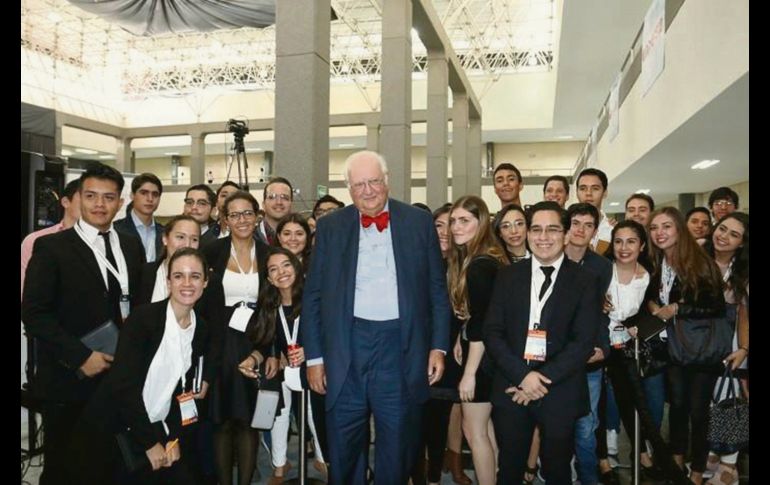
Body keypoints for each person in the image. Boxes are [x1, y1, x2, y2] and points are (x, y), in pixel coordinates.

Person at [302, 150, 450, 485]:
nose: (368, 190)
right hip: (346, 349)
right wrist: (314, 357)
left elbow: (436, 291)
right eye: (359, 185)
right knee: (344, 446)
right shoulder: (330, 227)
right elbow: (313, 296)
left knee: (397, 446)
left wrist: (438, 347)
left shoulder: (418, 221)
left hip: (400, 348)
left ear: (387, 181)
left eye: (374, 182)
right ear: (348, 189)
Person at [22, 162, 144, 485]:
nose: (99, 205)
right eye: (91, 196)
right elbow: (34, 313)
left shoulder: (130, 246)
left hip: (118, 378)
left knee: (110, 466)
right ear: (78, 198)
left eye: (109, 197)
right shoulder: (51, 247)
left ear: (121, 202)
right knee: (65, 470)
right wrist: (80, 356)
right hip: (69, 380)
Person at [69, 247, 217, 483]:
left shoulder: (202, 329)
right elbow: (123, 387)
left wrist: (173, 439)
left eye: (195, 276)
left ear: (205, 282)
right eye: (178, 276)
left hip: (159, 427)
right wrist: (149, 443)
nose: (187, 283)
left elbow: (184, 391)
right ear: (168, 282)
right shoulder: (143, 320)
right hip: (117, 428)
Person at [484, 201, 601, 485]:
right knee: (509, 469)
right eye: (536, 229)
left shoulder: (586, 280)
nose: (543, 237)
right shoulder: (508, 275)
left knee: (557, 469)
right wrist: (523, 376)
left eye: (552, 229)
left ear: (565, 234)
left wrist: (540, 379)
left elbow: (583, 342)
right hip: (513, 386)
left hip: (559, 389)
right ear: (527, 234)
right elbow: (492, 332)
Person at [646, 207, 726, 485]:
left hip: (701, 350)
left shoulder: (699, 262)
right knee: (677, 408)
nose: (660, 233)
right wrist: (654, 305)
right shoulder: (660, 263)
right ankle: (677, 463)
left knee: (698, 412)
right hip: (675, 349)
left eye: (666, 226)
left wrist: (678, 307)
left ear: (679, 229)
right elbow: (654, 299)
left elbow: (715, 306)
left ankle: (697, 472)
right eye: (654, 228)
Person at [241, 247, 327, 484]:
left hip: (313, 367)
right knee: (277, 411)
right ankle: (279, 466)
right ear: (268, 278)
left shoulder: (314, 298)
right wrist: (258, 358)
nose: (281, 272)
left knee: (312, 412)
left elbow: (330, 334)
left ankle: (323, 459)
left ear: (296, 267)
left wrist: (309, 351)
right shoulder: (269, 304)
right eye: (273, 269)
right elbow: (264, 340)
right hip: (281, 370)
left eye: (286, 265)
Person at [203, 190, 271, 485]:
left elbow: (274, 308)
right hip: (218, 344)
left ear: (257, 217)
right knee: (221, 421)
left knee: (249, 421)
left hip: (255, 342)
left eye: (247, 213)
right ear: (225, 219)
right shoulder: (211, 251)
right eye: (234, 214)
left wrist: (262, 351)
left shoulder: (269, 255)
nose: (241, 220)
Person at [448, 195, 508, 485]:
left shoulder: (480, 265)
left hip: (483, 363)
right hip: (490, 358)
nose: (456, 227)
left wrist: (469, 374)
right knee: (485, 432)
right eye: (453, 221)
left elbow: (484, 324)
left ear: (481, 222)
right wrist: (463, 334)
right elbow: (481, 317)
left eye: (464, 220)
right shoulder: (487, 258)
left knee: (475, 433)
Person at [601, 220, 665, 482]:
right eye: (618, 241)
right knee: (598, 405)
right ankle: (602, 458)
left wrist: (639, 326)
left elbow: (653, 309)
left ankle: (640, 453)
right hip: (596, 344)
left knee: (630, 401)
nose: (623, 247)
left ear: (641, 245)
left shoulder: (650, 274)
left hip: (628, 347)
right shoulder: (602, 270)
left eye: (631, 241)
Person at [702, 212, 749, 485]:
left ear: (742, 243)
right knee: (708, 402)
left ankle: (728, 467)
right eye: (722, 229)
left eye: (734, 234)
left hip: (733, 346)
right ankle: (711, 456)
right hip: (700, 346)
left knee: (729, 402)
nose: (724, 236)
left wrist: (744, 348)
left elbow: (745, 313)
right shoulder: (699, 259)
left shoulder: (742, 272)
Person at [114, 172, 164, 263]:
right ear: (132, 195)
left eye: (155, 194)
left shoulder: (165, 232)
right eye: (144, 193)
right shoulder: (115, 230)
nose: (150, 199)